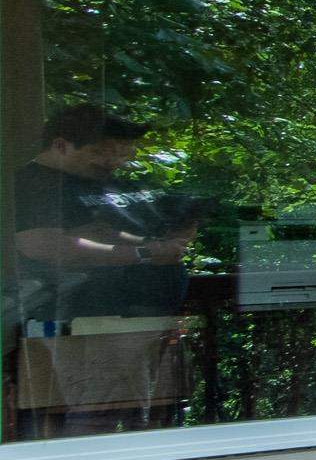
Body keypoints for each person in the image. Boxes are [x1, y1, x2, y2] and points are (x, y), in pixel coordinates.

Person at [7, 108, 198, 436]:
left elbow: (112, 233)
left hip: (139, 319)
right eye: (100, 152)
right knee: (95, 409)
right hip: (82, 318)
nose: (112, 162)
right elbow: (42, 245)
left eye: (122, 153)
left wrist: (168, 240)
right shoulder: (34, 183)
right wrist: (143, 253)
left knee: (139, 408)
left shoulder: (103, 185)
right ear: (61, 145)